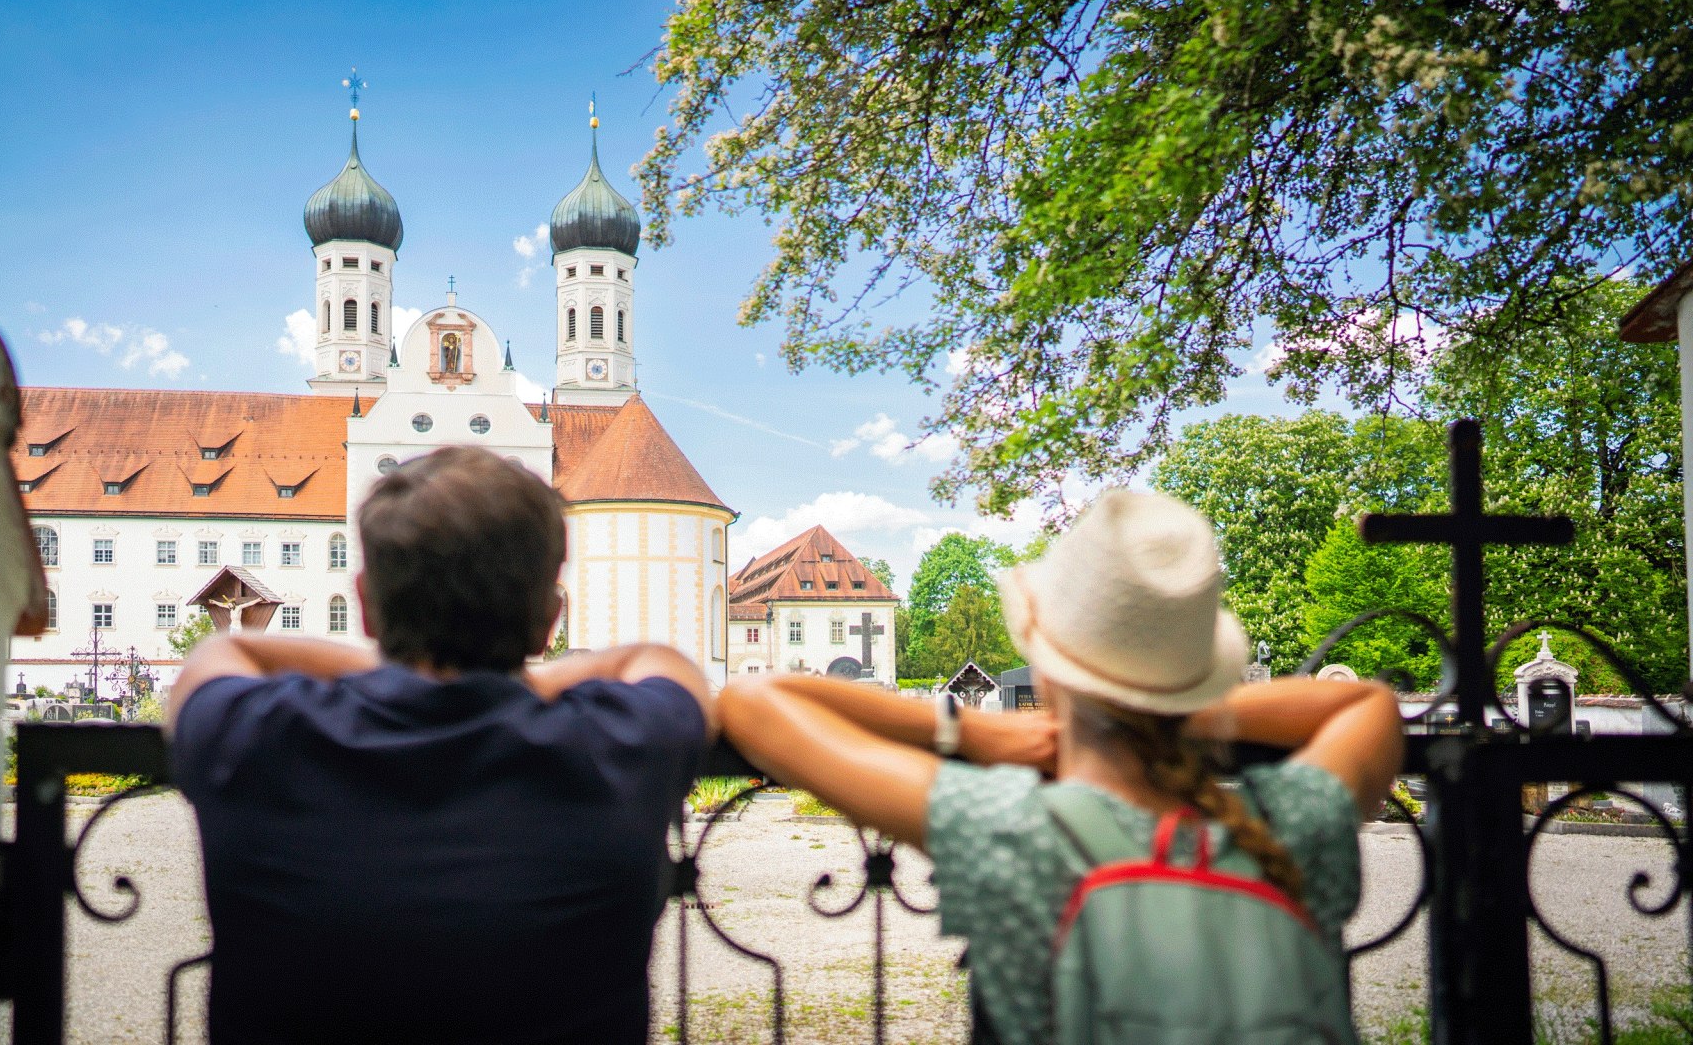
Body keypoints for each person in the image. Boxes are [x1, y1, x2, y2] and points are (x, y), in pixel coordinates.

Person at [719, 489, 1402, 1044]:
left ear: (1048, 666)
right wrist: (1177, 715)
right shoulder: (1294, 823)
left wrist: (980, 733)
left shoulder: (1010, 829)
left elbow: (755, 702)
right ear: (1200, 677)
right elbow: (1367, 707)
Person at [165, 446, 716, 1044]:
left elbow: (224, 652)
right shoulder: (618, 744)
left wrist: (391, 666)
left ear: (366, 606)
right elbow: (657, 660)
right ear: (550, 620)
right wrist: (520, 677)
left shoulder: (257, 733)